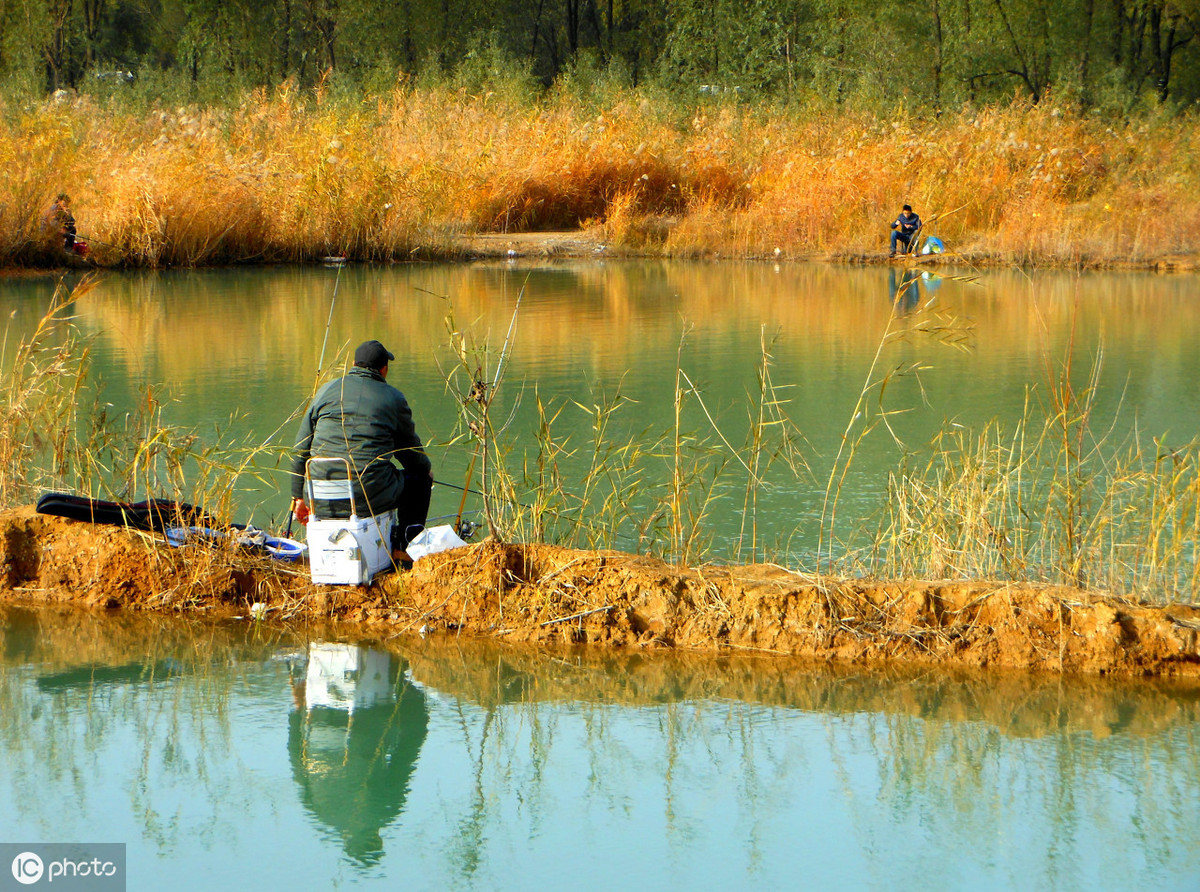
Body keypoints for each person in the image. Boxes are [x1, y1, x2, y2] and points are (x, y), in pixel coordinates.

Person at [290, 339, 433, 562]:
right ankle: (405, 550)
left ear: (354, 364)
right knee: (420, 480)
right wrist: (426, 469)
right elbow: (410, 454)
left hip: (319, 498)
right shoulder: (393, 398)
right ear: (384, 370)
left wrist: (299, 497)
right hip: (367, 498)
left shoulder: (325, 390)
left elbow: (300, 450)